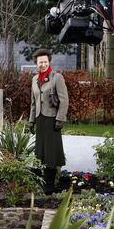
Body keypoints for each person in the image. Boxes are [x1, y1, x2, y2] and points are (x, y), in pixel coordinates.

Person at [29, 49, 69, 195]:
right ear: (36, 63)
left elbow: (64, 100)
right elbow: (33, 103)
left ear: (49, 61)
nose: (43, 64)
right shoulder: (34, 79)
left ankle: (50, 187)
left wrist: (60, 119)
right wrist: (31, 121)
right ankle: (45, 184)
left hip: (52, 120)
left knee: (51, 154)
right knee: (42, 154)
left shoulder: (56, 77)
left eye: (45, 61)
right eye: (40, 62)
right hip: (40, 119)